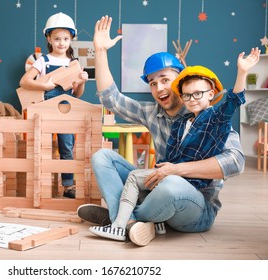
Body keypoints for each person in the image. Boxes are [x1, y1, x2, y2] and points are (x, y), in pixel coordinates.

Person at [77, 15, 246, 245]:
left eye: (165, 80)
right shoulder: (151, 112)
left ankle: (119, 217)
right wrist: (100, 51)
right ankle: (127, 223)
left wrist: (176, 170)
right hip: (158, 190)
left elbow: (236, 162)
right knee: (102, 156)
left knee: (172, 183)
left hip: (196, 207)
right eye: (152, 82)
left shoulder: (207, 116)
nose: (159, 88)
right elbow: (111, 100)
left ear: (180, 81)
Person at [20, 12, 88, 199]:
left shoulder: (73, 63)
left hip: (66, 111)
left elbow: (78, 94)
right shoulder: (43, 61)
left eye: (66, 38)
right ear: (48, 38)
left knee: (67, 147)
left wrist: (82, 81)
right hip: (45, 111)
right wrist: (45, 85)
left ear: (71, 39)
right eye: (57, 38)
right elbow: (24, 81)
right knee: (41, 147)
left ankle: (67, 186)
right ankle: (40, 184)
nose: (61, 43)